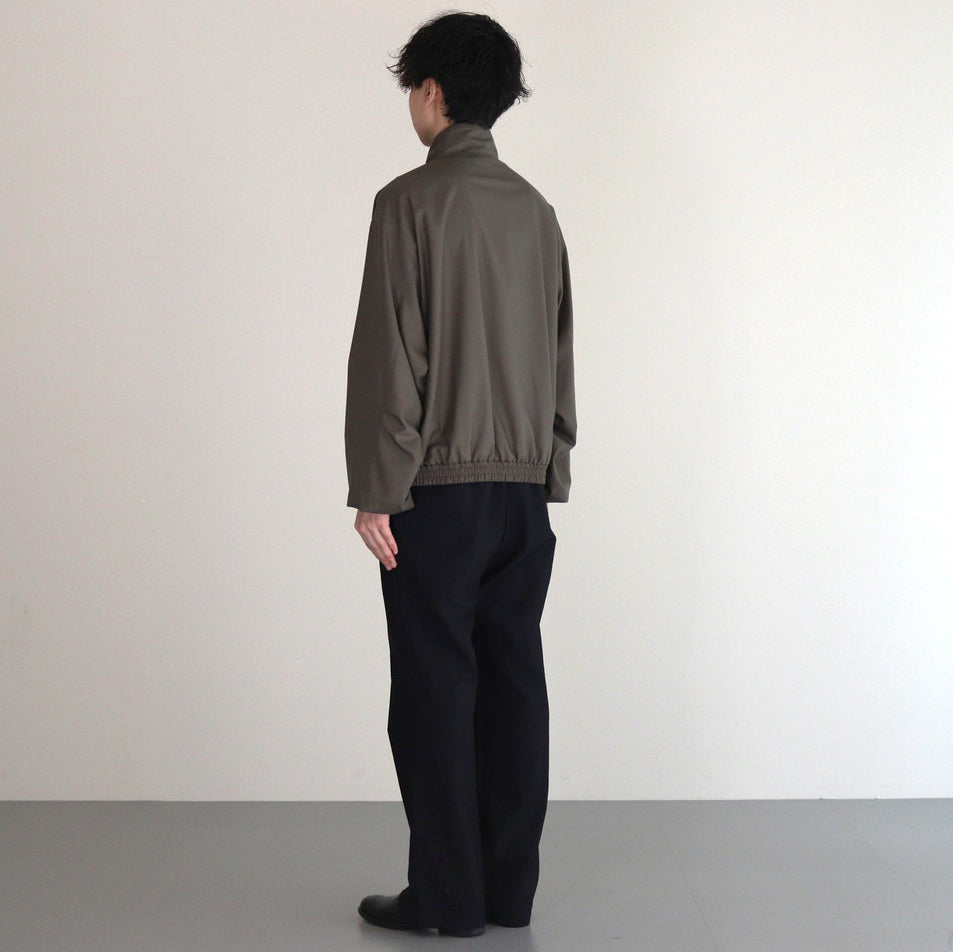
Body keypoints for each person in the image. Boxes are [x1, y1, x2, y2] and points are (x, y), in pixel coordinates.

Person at [344, 11, 577, 939]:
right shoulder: (535, 210)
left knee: (434, 695)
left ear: (431, 91)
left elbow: (389, 353)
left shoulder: (408, 202)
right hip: (521, 495)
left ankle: (446, 897)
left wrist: (377, 486)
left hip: (435, 496)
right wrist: (549, 463)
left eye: (413, 87)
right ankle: (507, 891)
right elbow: (558, 352)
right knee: (514, 686)